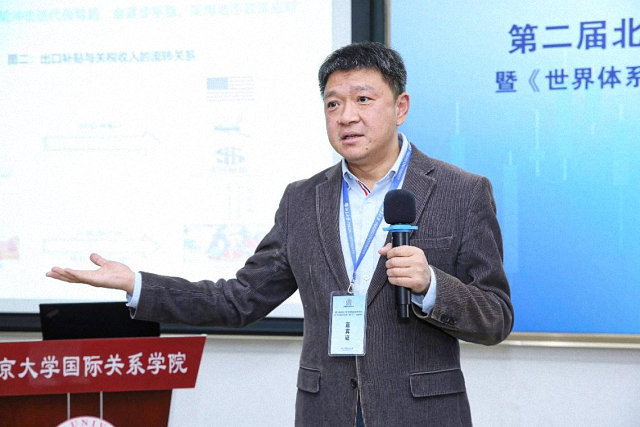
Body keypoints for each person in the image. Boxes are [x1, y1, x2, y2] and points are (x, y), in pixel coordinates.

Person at [47, 42, 513, 426]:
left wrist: (432, 285)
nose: (346, 116)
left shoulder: (462, 192)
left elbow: (496, 317)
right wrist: (137, 284)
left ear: (401, 107)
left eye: (363, 100)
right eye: (333, 103)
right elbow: (238, 300)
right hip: (325, 412)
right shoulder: (302, 200)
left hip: (422, 413)